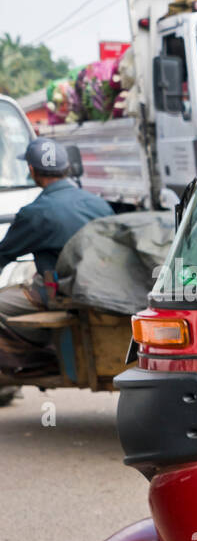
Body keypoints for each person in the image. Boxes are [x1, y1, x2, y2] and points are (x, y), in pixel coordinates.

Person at [0, 139, 113, 369]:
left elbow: (3, 255)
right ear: (67, 168)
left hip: (61, 294)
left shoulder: (35, 213)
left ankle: (34, 361)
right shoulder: (98, 204)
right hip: (102, 289)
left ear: (32, 170)